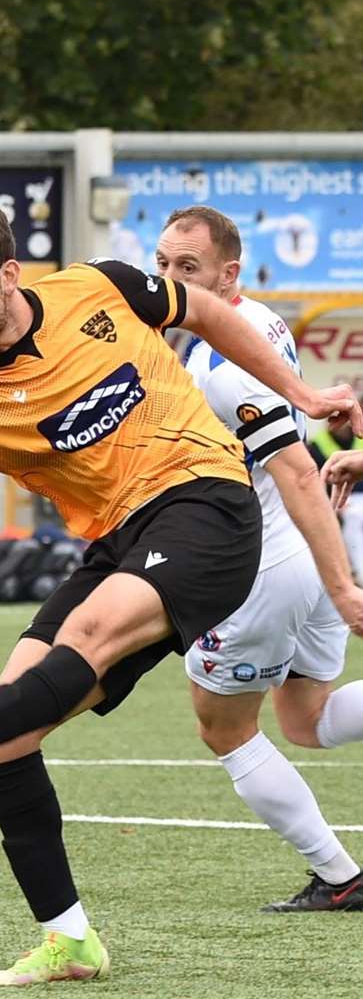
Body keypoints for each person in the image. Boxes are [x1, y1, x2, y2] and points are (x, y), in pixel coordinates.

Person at [0, 201, 359, 986]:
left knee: (86, 638)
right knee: (12, 721)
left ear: (6, 274)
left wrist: (303, 391)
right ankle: (68, 940)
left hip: (207, 501)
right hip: (122, 538)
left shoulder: (98, 287)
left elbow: (210, 314)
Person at [159, 204, 363, 910]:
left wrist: (341, 586)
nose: (170, 278)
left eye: (188, 268)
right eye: (162, 264)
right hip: (310, 544)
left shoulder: (220, 364)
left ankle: (340, 877)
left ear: (227, 272)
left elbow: (293, 467)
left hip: (263, 563)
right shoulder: (259, 321)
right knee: (304, 721)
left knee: (223, 726)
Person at [309, 415, 363, 580]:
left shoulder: (359, 438)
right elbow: (318, 482)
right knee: (353, 517)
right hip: (342, 501)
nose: (344, 423)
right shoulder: (316, 446)